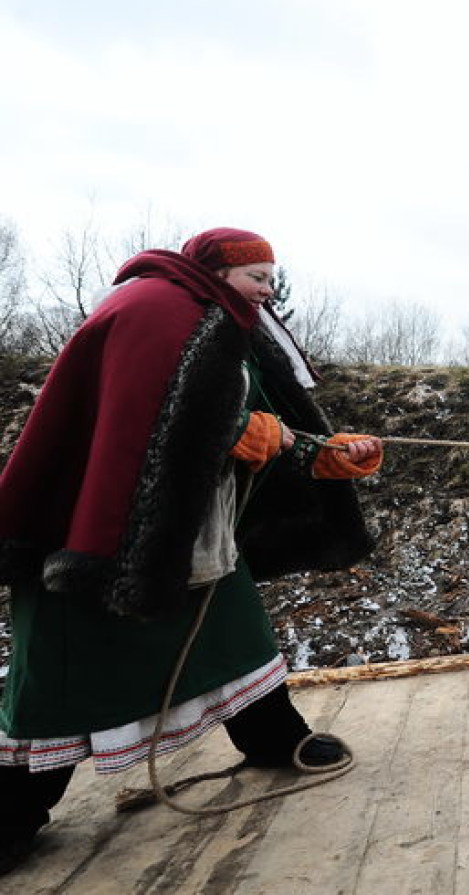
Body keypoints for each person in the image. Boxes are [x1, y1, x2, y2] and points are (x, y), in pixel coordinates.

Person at [0, 228, 384, 876]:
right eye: (256, 276)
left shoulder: (228, 324)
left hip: (191, 527)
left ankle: (272, 740)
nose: (268, 289)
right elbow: (139, 415)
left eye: (271, 277)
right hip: (101, 526)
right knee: (63, 677)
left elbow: (265, 420)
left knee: (233, 633)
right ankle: (12, 814)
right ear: (216, 270)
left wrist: (328, 453)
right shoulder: (153, 307)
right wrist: (238, 430)